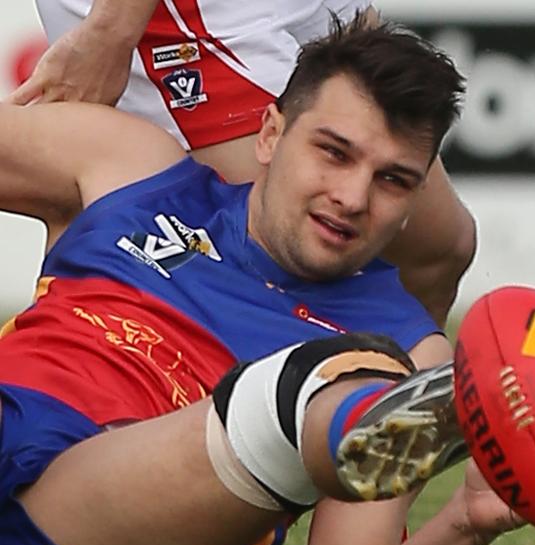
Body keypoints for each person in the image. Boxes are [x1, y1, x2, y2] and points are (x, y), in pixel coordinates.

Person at [0, 19, 533, 545]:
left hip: (77, 542)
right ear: (270, 133)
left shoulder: (402, 350)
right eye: (333, 152)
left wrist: (465, 524)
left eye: (393, 180)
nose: (353, 196)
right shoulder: (130, 167)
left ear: (416, 199)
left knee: (341, 378)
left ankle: (387, 407)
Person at [11, 0, 476, 331]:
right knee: (267, 264)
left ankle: (374, 448)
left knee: (440, 246)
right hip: (189, 13)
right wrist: (111, 29)